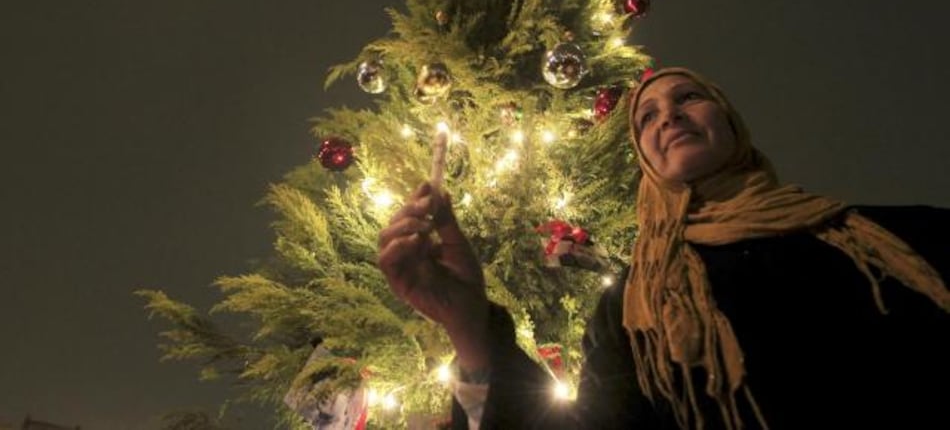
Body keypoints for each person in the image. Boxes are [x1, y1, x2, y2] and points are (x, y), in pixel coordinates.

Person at [378, 67, 950, 429]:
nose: (668, 115)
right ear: (646, 161)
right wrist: (471, 329)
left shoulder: (883, 240)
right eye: (647, 116)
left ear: (731, 122)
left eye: (689, 98)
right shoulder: (635, 307)